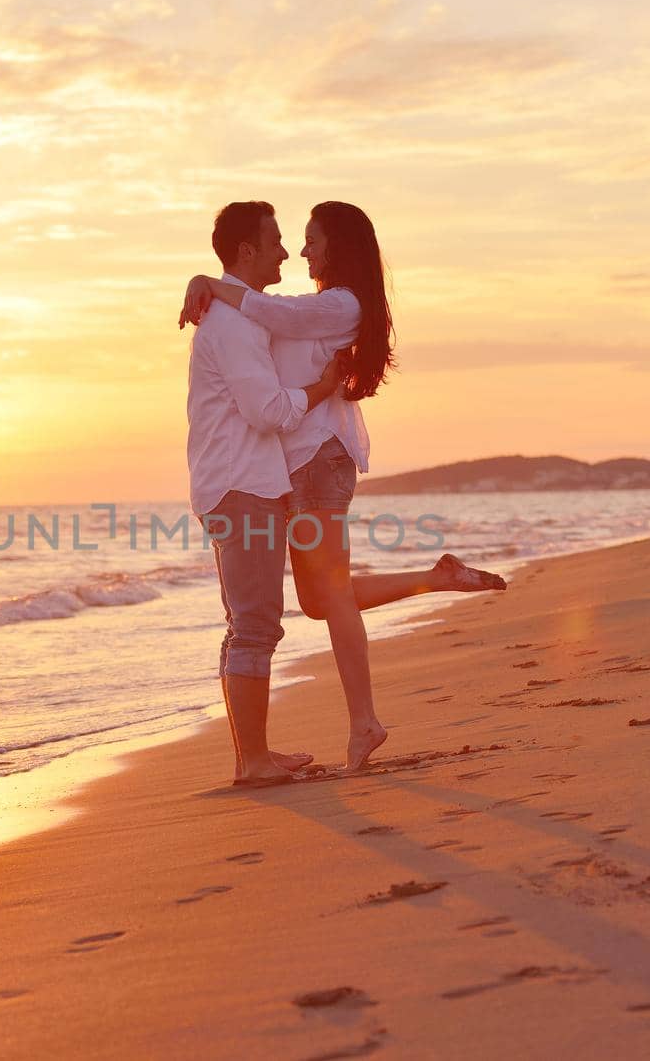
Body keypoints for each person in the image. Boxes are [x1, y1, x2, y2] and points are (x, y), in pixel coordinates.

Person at [180, 201, 506, 772]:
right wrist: (206, 280)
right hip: (300, 462)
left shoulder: (339, 304)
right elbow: (267, 315)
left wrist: (211, 281)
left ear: (338, 247)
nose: (300, 251)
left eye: (310, 240)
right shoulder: (313, 305)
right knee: (315, 599)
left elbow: (272, 314)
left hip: (317, 458)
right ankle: (437, 577)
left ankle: (365, 722)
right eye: (290, 240)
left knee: (325, 596)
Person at [187, 200, 347, 786]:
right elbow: (266, 410)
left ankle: (254, 754)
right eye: (276, 241)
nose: (286, 251)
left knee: (254, 621)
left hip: (248, 484)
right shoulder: (231, 326)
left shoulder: (242, 317)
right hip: (240, 486)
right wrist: (319, 388)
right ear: (247, 251)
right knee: (254, 623)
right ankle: (252, 761)